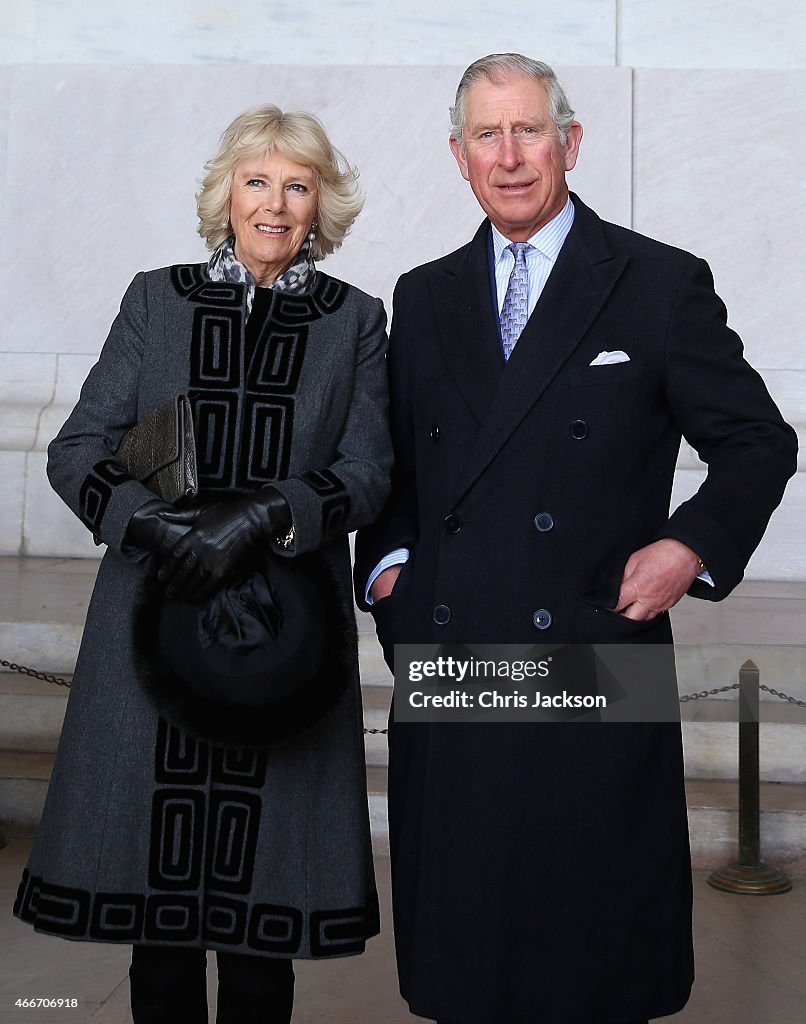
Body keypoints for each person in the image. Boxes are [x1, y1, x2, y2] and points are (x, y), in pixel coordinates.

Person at [354, 53, 798, 1024]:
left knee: (587, 953)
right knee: (466, 960)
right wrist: (391, 574)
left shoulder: (657, 283)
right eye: (486, 135)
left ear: (569, 141)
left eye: (527, 131)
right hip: (453, 649)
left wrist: (689, 543)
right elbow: (392, 475)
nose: (508, 157)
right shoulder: (422, 296)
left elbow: (758, 440)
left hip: (594, 644)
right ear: (456, 155)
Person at [14, 104, 392, 1024]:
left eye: (296, 186)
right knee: (163, 929)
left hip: (286, 639)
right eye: (256, 182)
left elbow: (369, 472)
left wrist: (267, 512)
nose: (274, 204)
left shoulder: (356, 322)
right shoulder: (158, 298)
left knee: (263, 938)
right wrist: (160, 530)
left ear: (320, 207)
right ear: (225, 196)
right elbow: (79, 449)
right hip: (151, 626)